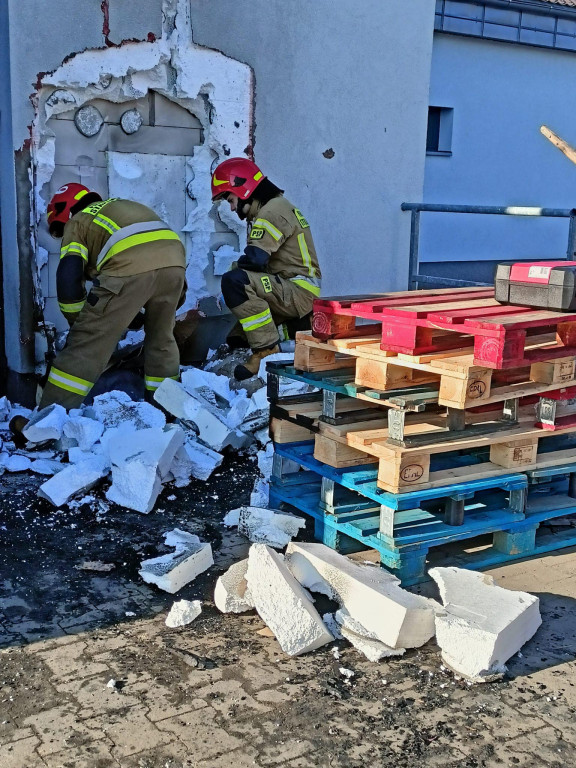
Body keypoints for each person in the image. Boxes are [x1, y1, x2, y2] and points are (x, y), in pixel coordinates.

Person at [39, 183, 186, 409]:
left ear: (66, 210)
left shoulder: (78, 220)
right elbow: (149, 271)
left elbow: (68, 277)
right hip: (175, 264)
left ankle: (47, 421)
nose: (63, 233)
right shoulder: (123, 206)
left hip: (129, 265)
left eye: (60, 227)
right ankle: (166, 409)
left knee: (85, 346)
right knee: (161, 339)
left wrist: (80, 326)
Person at [212, 158, 322, 380]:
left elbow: (255, 259)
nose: (232, 208)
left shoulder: (272, 211)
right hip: (291, 288)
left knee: (234, 281)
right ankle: (276, 344)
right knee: (237, 340)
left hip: (298, 291)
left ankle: (266, 351)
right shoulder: (275, 207)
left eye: (230, 199)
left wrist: (234, 273)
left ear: (242, 188)